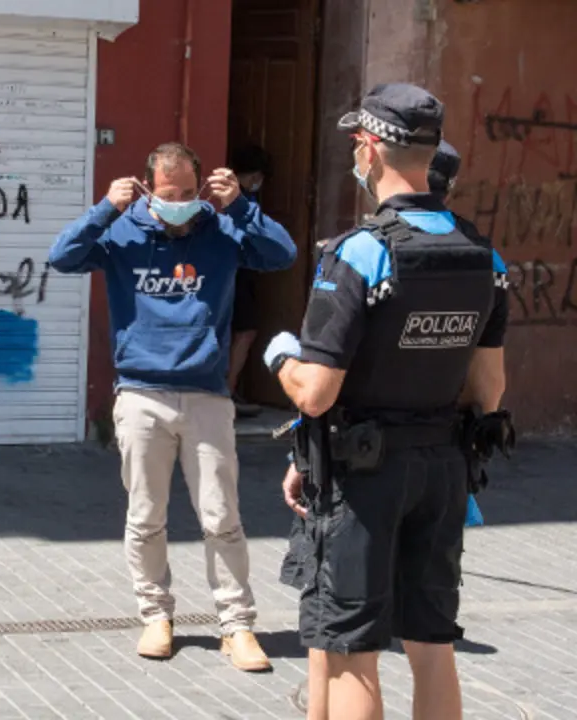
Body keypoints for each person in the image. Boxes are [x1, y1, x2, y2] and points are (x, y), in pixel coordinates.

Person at [263, 83, 510, 720]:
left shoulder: (360, 253)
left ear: (370, 149)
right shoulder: (485, 256)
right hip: (444, 470)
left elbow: (316, 394)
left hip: (364, 479)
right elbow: (490, 391)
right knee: (432, 641)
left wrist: (281, 355)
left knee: (351, 650)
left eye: (357, 145)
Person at [49, 142, 297, 671]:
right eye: (169, 195)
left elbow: (282, 255)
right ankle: (155, 616)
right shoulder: (122, 230)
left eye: (189, 192)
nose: (180, 203)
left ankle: (236, 625)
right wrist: (104, 209)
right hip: (141, 393)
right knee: (145, 517)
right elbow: (62, 256)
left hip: (207, 393)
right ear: (146, 188)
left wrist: (242, 207)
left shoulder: (222, 227)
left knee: (222, 516)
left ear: (202, 184)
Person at [228, 143, 275, 417]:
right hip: (239, 271)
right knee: (245, 332)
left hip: (238, 271)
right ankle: (228, 391)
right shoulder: (242, 201)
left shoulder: (234, 197)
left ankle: (228, 390)